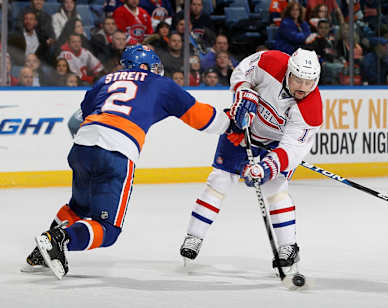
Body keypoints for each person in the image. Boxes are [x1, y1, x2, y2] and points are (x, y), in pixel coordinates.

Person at [23, 45, 232, 280]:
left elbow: (81, 115)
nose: (155, 71)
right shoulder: (160, 83)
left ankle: (42, 250)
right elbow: (202, 118)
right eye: (152, 67)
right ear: (144, 67)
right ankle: (58, 240)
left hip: (81, 147)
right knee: (108, 230)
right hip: (116, 152)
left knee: (78, 208)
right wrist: (231, 122)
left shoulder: (106, 80)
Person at [179, 48, 323, 274]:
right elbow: (241, 72)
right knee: (219, 180)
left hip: (274, 146)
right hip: (242, 128)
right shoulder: (271, 61)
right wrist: (243, 91)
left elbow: (293, 148)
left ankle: (288, 247)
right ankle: (193, 237)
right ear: (289, 72)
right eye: (298, 80)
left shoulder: (312, 109)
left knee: (275, 189)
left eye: (309, 82)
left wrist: (269, 166)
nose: (303, 88)